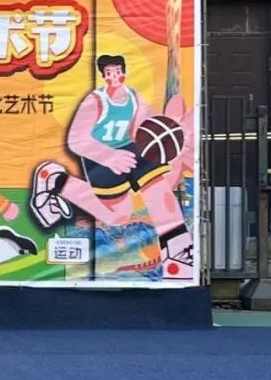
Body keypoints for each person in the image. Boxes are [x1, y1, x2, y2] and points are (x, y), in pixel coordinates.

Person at [28, 54, 193, 278]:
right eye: (109, 73)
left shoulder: (134, 96)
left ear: (124, 72)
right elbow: (76, 140)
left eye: (117, 72)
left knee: (158, 189)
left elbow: (147, 122)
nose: (114, 77)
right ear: (103, 76)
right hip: (100, 156)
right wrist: (109, 156)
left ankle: (179, 252)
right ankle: (57, 179)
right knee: (118, 217)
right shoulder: (95, 101)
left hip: (130, 149)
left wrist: (172, 135)